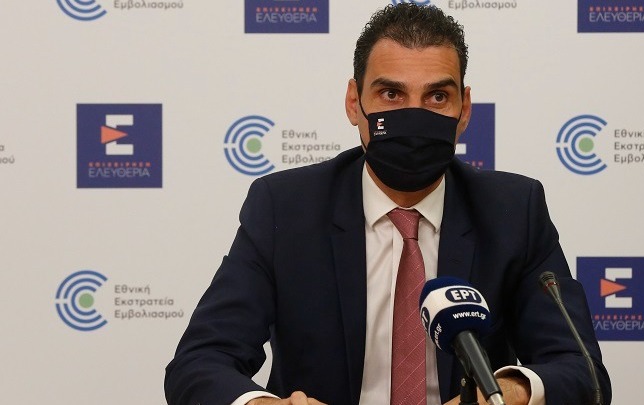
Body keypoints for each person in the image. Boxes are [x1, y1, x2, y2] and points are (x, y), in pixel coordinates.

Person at [164, 4, 611, 405]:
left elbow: (581, 370)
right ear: (354, 102)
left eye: (437, 97)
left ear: (465, 109)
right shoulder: (285, 207)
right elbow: (199, 362)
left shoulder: (513, 211)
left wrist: (507, 393)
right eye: (391, 95)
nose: (414, 117)